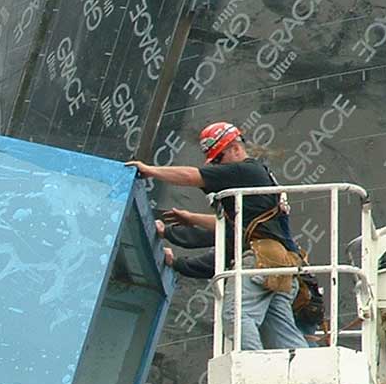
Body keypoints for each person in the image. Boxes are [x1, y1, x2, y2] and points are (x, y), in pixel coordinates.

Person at [128, 122, 309, 350]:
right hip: (282, 265)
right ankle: (308, 370)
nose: (217, 166)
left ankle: (250, 367)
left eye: (218, 158)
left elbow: (191, 175)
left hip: (262, 261)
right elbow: (231, 228)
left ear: (235, 148)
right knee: (280, 332)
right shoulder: (256, 179)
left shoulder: (244, 171)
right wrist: (191, 219)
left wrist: (149, 170)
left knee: (236, 315)